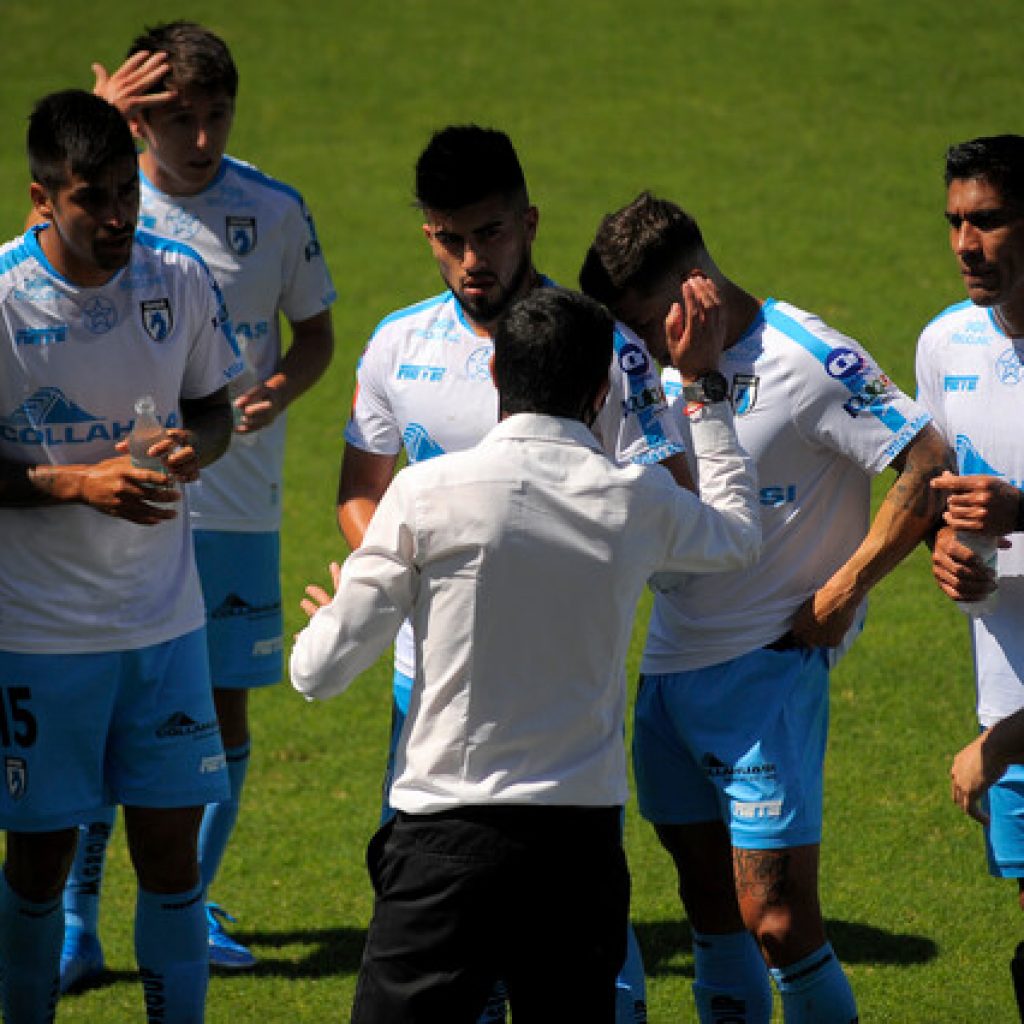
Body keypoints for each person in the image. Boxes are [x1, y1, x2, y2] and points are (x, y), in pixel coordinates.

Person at [293, 285, 761, 1023]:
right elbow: (737, 534)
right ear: (601, 389)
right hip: (578, 856)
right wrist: (703, 388)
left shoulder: (422, 493)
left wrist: (327, 621)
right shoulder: (635, 500)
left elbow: (316, 674)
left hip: (442, 843)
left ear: (494, 376)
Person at [336, 124, 686, 1024]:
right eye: (448, 238)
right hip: (431, 695)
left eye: (488, 233)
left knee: (579, 952)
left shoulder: (602, 349)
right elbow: (360, 494)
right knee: (438, 933)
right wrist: (400, 576)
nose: (469, 259)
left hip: (559, 698)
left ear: (528, 222)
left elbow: (669, 503)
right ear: (427, 233)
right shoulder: (394, 349)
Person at [579, 191, 951, 1024]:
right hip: (667, 670)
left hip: (768, 672)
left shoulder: (806, 358)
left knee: (778, 923)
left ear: (696, 286)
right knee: (709, 909)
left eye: (643, 322)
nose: (633, 346)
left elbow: (927, 460)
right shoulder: (645, 364)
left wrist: (844, 589)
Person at [54, 21, 337, 986]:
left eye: (217, 116)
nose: (202, 139)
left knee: (219, 719)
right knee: (102, 718)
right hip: (117, 507)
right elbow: (36, 254)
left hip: (237, 507)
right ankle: (73, 927)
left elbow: (315, 336)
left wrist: (281, 389)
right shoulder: (113, 212)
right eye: (179, 119)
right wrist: (96, 121)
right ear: (142, 124)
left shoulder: (276, 208)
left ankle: (190, 905)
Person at [0, 89, 237, 1022]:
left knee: (172, 860)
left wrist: (194, 447)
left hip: (165, 625)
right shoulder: (4, 303)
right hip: (39, 636)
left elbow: (213, 409)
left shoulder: (175, 280)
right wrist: (73, 482)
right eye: (91, 200)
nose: (116, 220)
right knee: (39, 861)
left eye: (126, 197)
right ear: (44, 196)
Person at [914, 134, 1024, 1018]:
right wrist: (944, 552)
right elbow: (938, 504)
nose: (965, 244)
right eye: (954, 221)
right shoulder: (944, 344)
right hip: (1005, 693)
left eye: (987, 220)